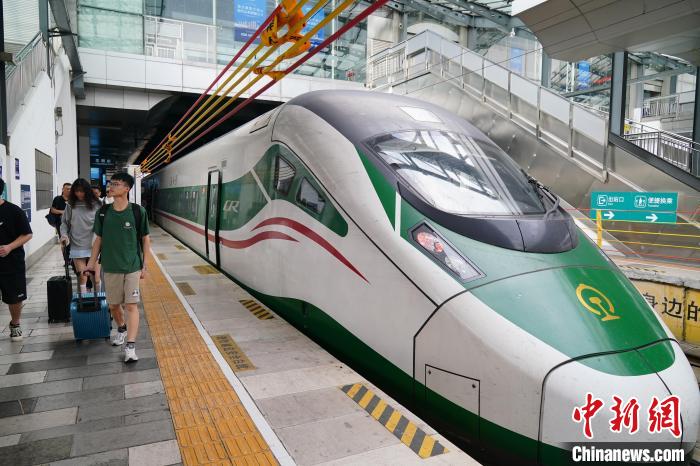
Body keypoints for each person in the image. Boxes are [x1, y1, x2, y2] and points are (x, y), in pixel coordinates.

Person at [85, 172, 150, 363]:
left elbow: (145, 239)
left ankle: (131, 346)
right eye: (111, 183)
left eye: (116, 184)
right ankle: (121, 327)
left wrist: (145, 264)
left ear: (127, 189)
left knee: (131, 305)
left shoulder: (138, 211)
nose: (111, 186)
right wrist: (91, 263)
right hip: (110, 266)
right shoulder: (103, 212)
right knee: (113, 305)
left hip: (132, 266)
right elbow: (98, 240)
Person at [0, 177, 33, 341]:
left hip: (11, 262)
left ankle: (15, 324)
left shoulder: (13, 211)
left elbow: (28, 234)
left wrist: (9, 247)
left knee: (14, 297)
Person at [60, 178, 102, 293]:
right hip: (77, 244)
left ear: (87, 191)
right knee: (82, 278)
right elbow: (65, 223)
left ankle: (99, 300)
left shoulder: (97, 204)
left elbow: (103, 224)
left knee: (96, 278)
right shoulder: (70, 205)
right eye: (76, 191)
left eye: (82, 191)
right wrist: (64, 235)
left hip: (94, 245)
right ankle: (83, 301)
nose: (79, 194)